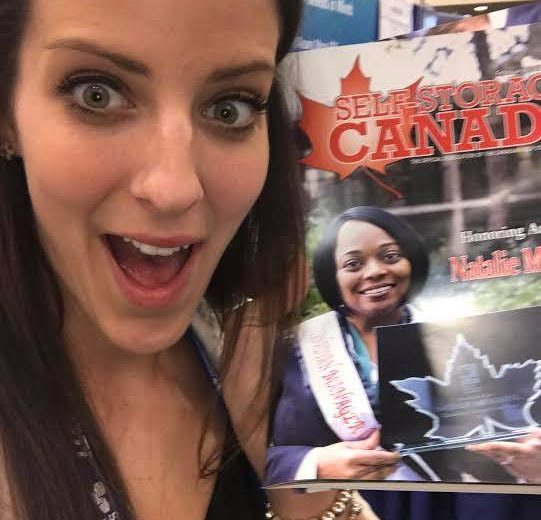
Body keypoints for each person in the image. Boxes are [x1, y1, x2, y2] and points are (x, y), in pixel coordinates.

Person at [0, 1, 377, 519]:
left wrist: (304, 493)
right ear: (7, 114)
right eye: (98, 93)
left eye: (231, 107)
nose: (174, 189)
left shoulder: (257, 375)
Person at [266, 206, 429, 484]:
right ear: (333, 277)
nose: (375, 271)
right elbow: (235, 456)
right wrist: (314, 465)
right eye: (353, 264)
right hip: (339, 508)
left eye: (390, 256)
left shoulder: (451, 337)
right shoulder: (290, 351)